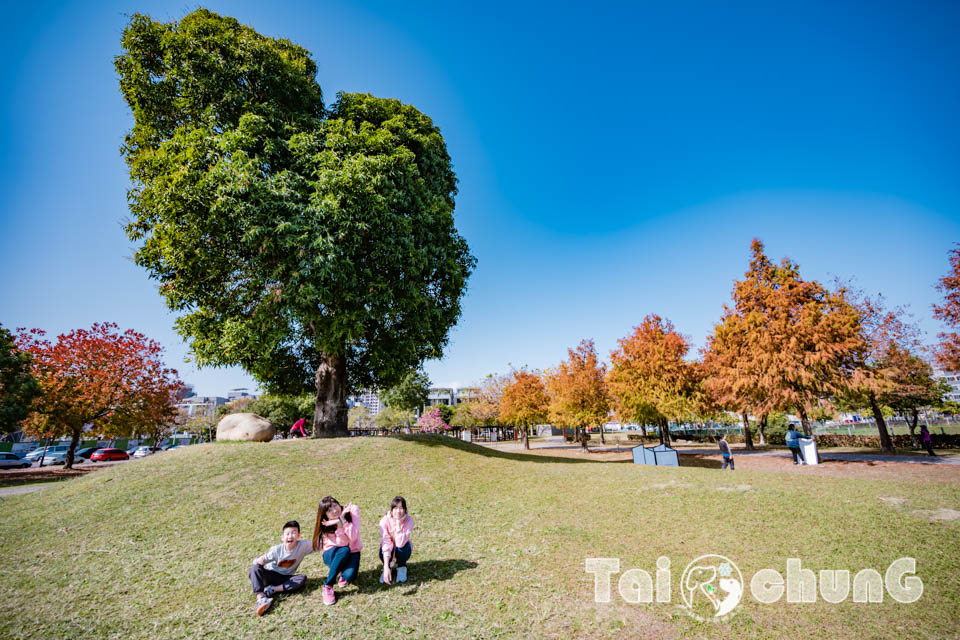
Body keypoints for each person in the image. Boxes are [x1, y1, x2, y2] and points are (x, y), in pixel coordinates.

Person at [248, 520, 313, 616]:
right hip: (271, 575)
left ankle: (272, 589)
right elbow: (260, 561)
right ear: (282, 537)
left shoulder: (303, 546)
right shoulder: (276, 550)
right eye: (287, 534)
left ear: (299, 535)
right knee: (254, 568)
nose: (290, 536)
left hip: (286, 578)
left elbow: (319, 543)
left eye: (294, 533)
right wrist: (259, 560)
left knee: (302, 578)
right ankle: (261, 598)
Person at [312, 497, 362, 605]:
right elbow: (342, 544)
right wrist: (339, 525)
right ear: (325, 515)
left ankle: (340, 570)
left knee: (349, 577)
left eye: (335, 505)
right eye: (329, 510)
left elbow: (353, 537)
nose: (335, 510)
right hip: (332, 552)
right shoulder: (326, 524)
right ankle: (328, 585)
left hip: (353, 551)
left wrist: (342, 519)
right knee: (344, 550)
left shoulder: (352, 510)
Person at [379, 496, 415, 584]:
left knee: (402, 547)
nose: (398, 511)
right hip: (388, 549)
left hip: (403, 549)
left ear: (405, 510)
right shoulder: (384, 521)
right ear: (391, 510)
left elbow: (400, 543)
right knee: (384, 549)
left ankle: (402, 567)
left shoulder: (409, 520)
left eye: (401, 508)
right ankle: (388, 569)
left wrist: (398, 523)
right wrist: (386, 566)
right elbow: (387, 543)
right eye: (395, 508)